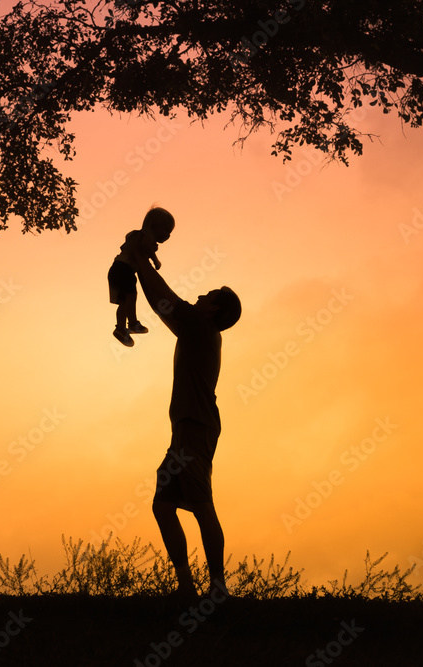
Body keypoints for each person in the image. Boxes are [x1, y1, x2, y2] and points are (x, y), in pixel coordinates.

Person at [125, 229, 241, 601]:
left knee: (202, 504)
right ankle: (187, 587)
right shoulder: (198, 329)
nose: (201, 295)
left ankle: (217, 588)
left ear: (214, 310)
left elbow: (164, 298)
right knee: (163, 505)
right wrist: (139, 261)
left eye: (209, 296)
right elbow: (162, 300)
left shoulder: (200, 326)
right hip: (189, 428)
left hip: (195, 427)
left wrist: (138, 258)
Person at [108, 207, 175, 346]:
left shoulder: (138, 236)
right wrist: (155, 260)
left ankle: (120, 328)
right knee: (131, 296)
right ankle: (132, 323)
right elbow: (146, 246)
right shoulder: (145, 235)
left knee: (124, 301)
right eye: (166, 230)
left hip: (116, 269)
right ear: (153, 226)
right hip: (124, 269)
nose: (168, 235)